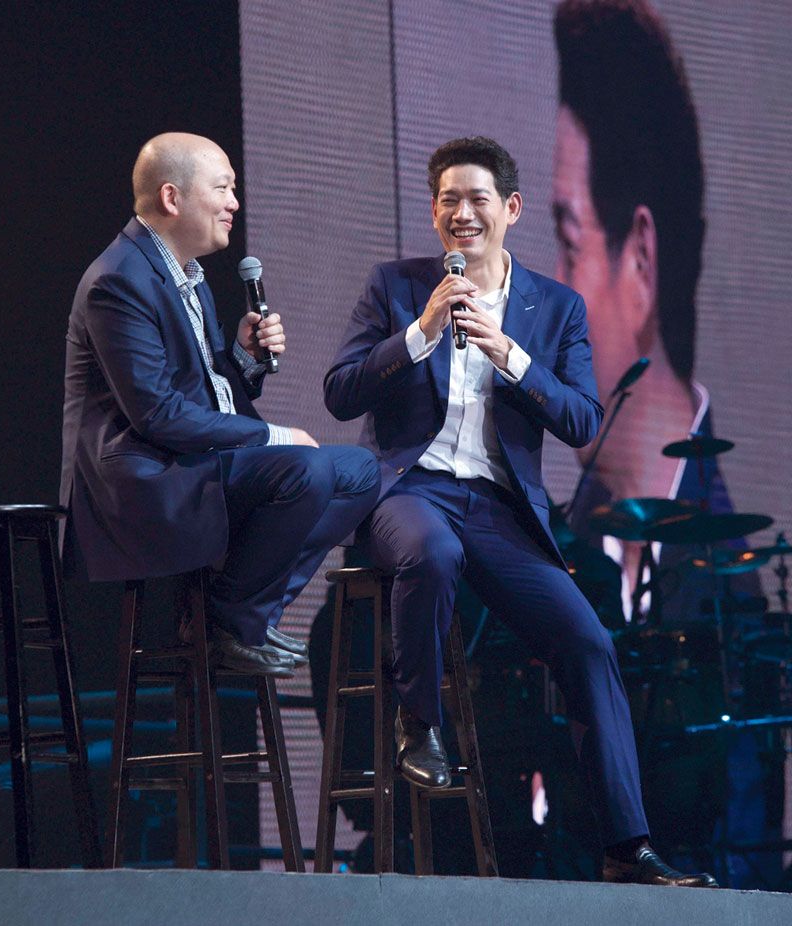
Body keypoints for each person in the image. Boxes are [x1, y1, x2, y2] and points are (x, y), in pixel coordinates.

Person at [324, 135, 716, 886]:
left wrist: (511, 355)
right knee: (433, 551)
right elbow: (340, 393)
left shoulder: (555, 307)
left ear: (511, 208)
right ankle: (419, 724)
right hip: (410, 491)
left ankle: (626, 846)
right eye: (448, 200)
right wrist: (420, 334)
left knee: (588, 643)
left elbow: (581, 419)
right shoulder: (396, 287)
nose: (461, 214)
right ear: (434, 212)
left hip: (499, 508)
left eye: (477, 199)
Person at [61, 132, 380, 676]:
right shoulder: (119, 281)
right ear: (171, 197)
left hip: (190, 462)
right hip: (146, 479)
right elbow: (158, 414)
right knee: (303, 469)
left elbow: (202, 389)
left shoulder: (188, 275)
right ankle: (232, 621)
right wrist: (274, 436)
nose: (235, 203)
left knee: (359, 470)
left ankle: (239, 617)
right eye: (223, 188)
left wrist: (244, 359)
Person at [552, 0, 754, 624]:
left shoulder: (738, 592)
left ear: (640, 261)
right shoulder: (551, 568)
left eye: (568, 245)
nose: (548, 294)